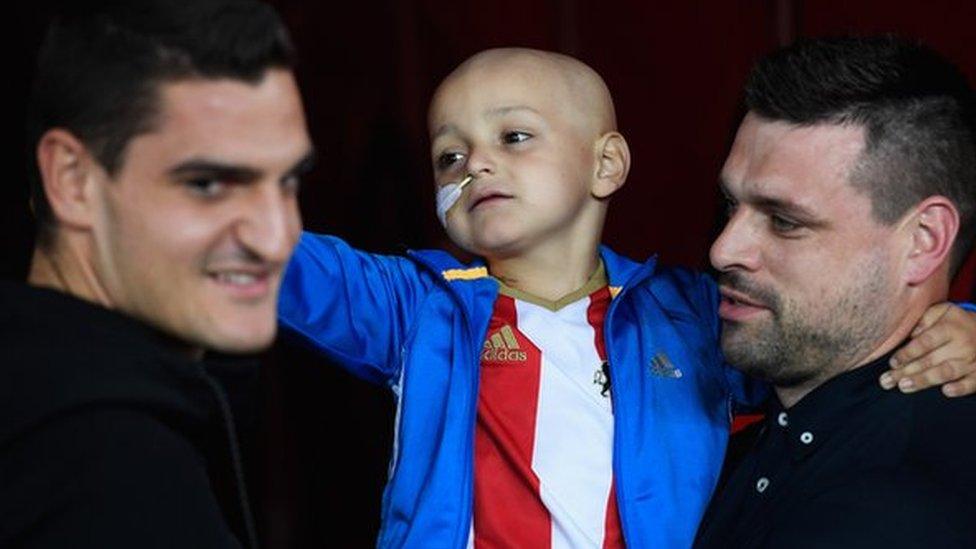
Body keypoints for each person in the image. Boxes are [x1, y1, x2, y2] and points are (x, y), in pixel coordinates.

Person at [280, 47, 976, 547]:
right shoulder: (419, 307)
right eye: (448, 157)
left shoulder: (684, 316)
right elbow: (275, 259)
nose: (477, 164)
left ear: (606, 163)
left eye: (514, 136)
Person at [1, 1, 313, 547]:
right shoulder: (105, 475)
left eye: (287, 182)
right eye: (208, 185)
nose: (276, 237)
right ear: (73, 180)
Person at [695, 36, 976, 548]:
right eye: (730, 207)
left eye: (783, 221)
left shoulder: (914, 497)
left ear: (924, 241)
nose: (723, 249)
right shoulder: (720, 430)